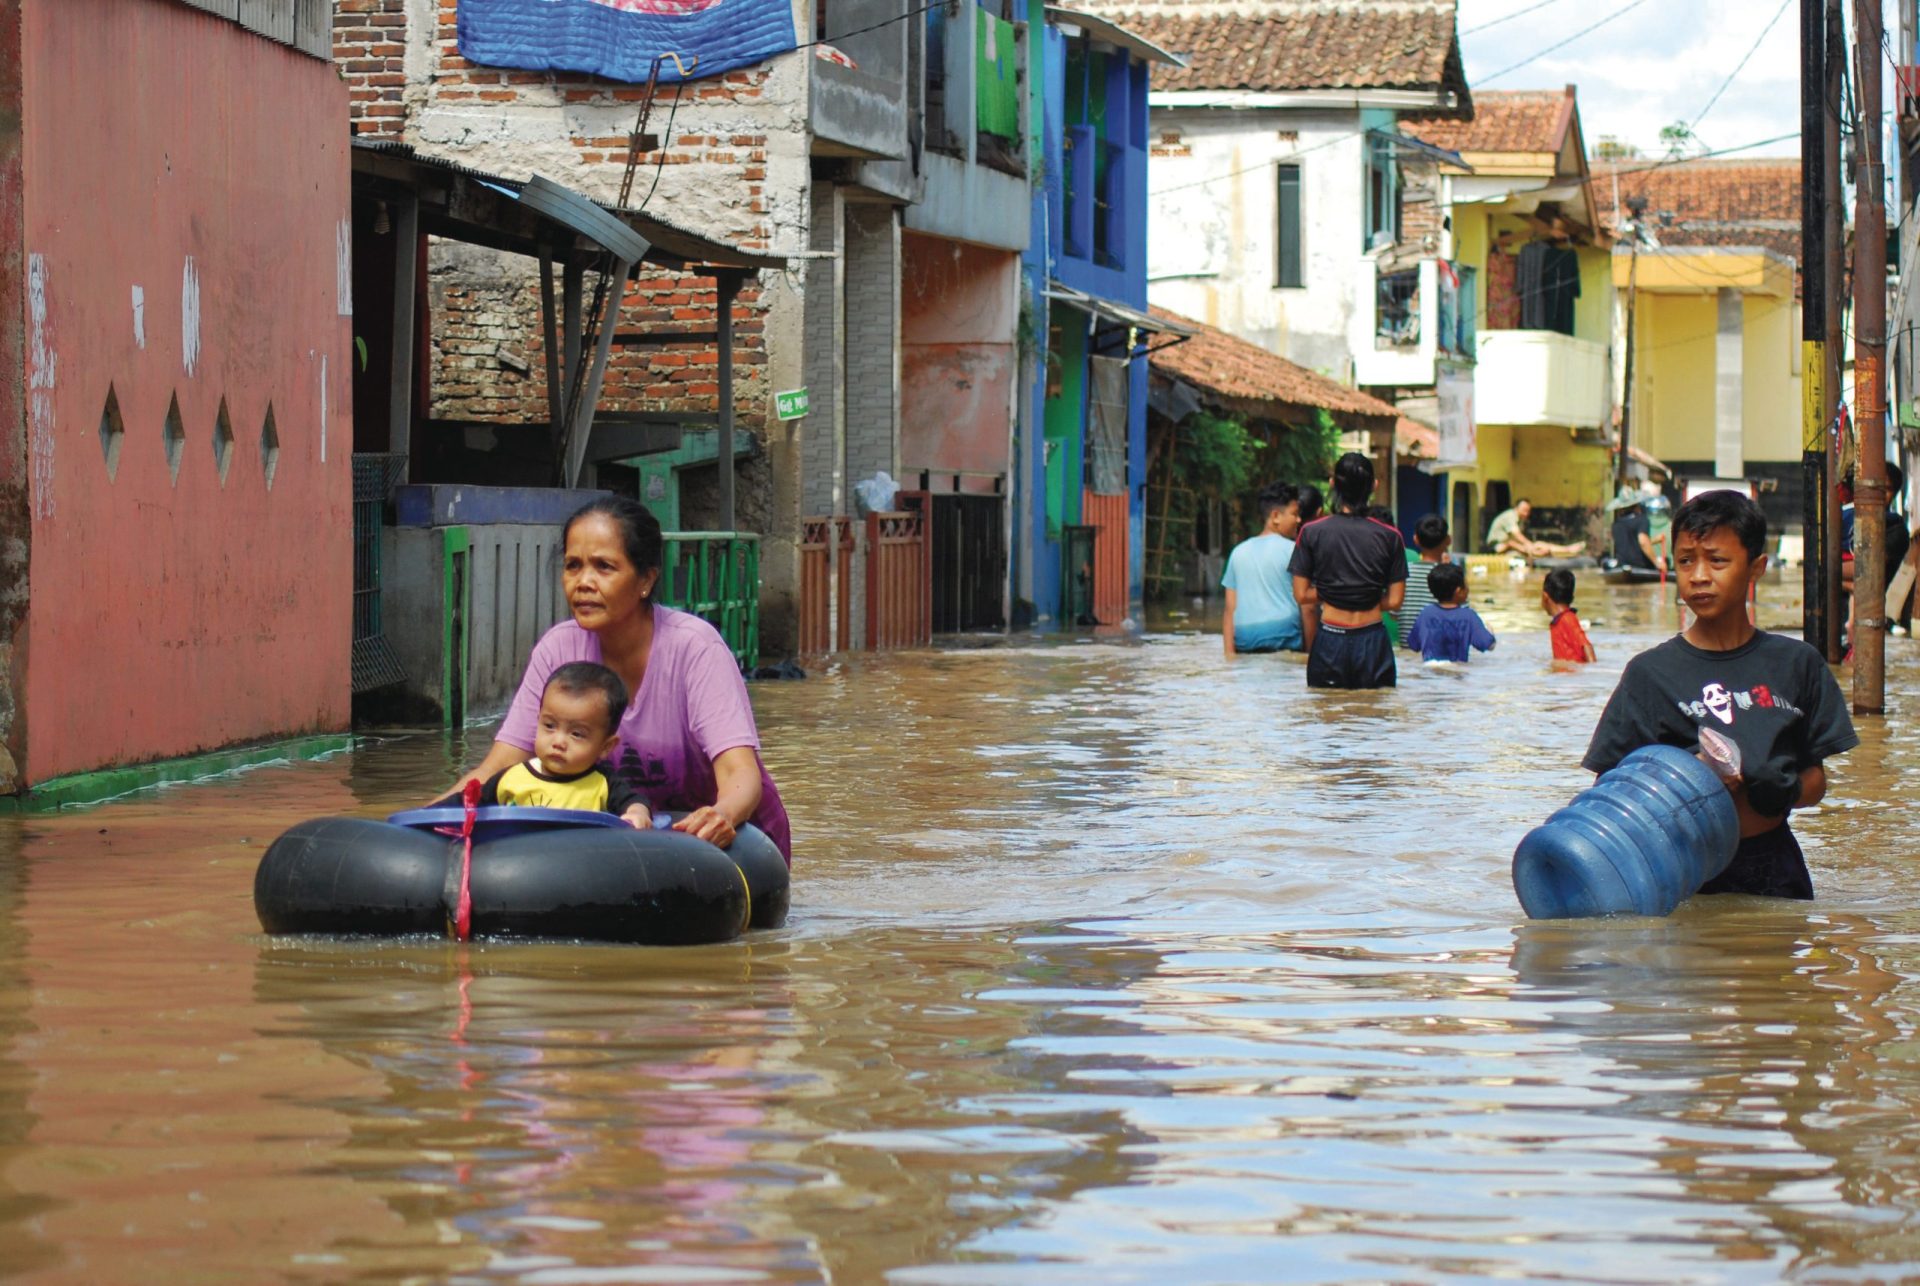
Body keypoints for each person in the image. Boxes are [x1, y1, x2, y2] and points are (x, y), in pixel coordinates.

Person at [447, 496, 793, 863]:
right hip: (631, 847)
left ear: (646, 579)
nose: (583, 583)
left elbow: (740, 771)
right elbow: (497, 766)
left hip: (730, 847)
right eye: (573, 566)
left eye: (604, 567)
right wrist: (422, 821)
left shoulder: (696, 648)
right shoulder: (557, 649)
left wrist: (722, 814)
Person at [1582, 490, 1858, 900]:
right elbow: (1609, 787)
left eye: (1717, 560)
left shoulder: (1797, 664)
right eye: (1686, 561)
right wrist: (1680, 782)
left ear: (1756, 567)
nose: (1698, 576)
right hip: (1681, 870)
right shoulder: (1649, 674)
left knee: (1774, 958)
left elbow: (1817, 779)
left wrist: (1784, 790)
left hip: (1771, 864)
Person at [437, 662, 653, 827]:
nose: (558, 742)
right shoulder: (511, 778)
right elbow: (464, 802)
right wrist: (423, 816)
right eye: (549, 726)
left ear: (606, 747)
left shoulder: (603, 784)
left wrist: (637, 813)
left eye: (576, 734)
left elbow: (636, 801)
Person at [1289, 453, 1407, 688]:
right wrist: (1364, 595)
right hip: (1373, 639)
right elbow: (1395, 601)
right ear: (1374, 485)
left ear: (1333, 483)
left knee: (1326, 716)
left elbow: (1301, 595)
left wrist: (1335, 592)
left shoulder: (1311, 532)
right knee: (1375, 718)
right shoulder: (1391, 536)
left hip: (1330, 639)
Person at [1220, 481, 1305, 658]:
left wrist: (1229, 654)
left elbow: (1229, 610)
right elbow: (1308, 608)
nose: (1298, 520)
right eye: (1294, 514)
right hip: (1284, 638)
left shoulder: (1238, 552)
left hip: (1245, 641)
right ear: (1275, 516)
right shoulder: (1294, 551)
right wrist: (1311, 654)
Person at [1406, 562, 1496, 663]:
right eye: (1466, 585)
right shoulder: (1468, 615)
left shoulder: (1426, 613)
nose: (1468, 589)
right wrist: (1490, 632)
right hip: (1457, 670)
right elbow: (1488, 645)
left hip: (1430, 670)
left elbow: (1413, 645)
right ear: (1458, 591)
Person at [1396, 514, 1451, 646]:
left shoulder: (1402, 572)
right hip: (1439, 651)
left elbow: (1393, 613)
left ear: (1415, 539)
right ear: (1448, 540)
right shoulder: (1451, 576)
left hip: (1407, 651)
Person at [1486, 498, 1585, 560]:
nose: (1526, 513)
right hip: (1496, 547)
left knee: (1538, 544)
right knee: (1530, 546)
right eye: (1524, 510)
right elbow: (1517, 535)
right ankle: (1566, 551)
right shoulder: (1509, 516)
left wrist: (1532, 545)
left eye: (1528, 511)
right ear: (1516, 508)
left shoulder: (1518, 519)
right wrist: (1530, 545)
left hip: (1508, 544)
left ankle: (1567, 549)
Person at [1606, 487, 1666, 573]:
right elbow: (1643, 542)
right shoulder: (1642, 520)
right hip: (1641, 566)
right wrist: (1657, 563)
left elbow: (1629, 543)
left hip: (1621, 565)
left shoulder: (1615, 525)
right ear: (1636, 506)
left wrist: (1654, 540)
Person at [1542, 568, 1596, 663]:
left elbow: (1586, 645)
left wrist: (1592, 671)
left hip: (1572, 674)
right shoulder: (1560, 620)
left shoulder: (1567, 619)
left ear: (1545, 596)